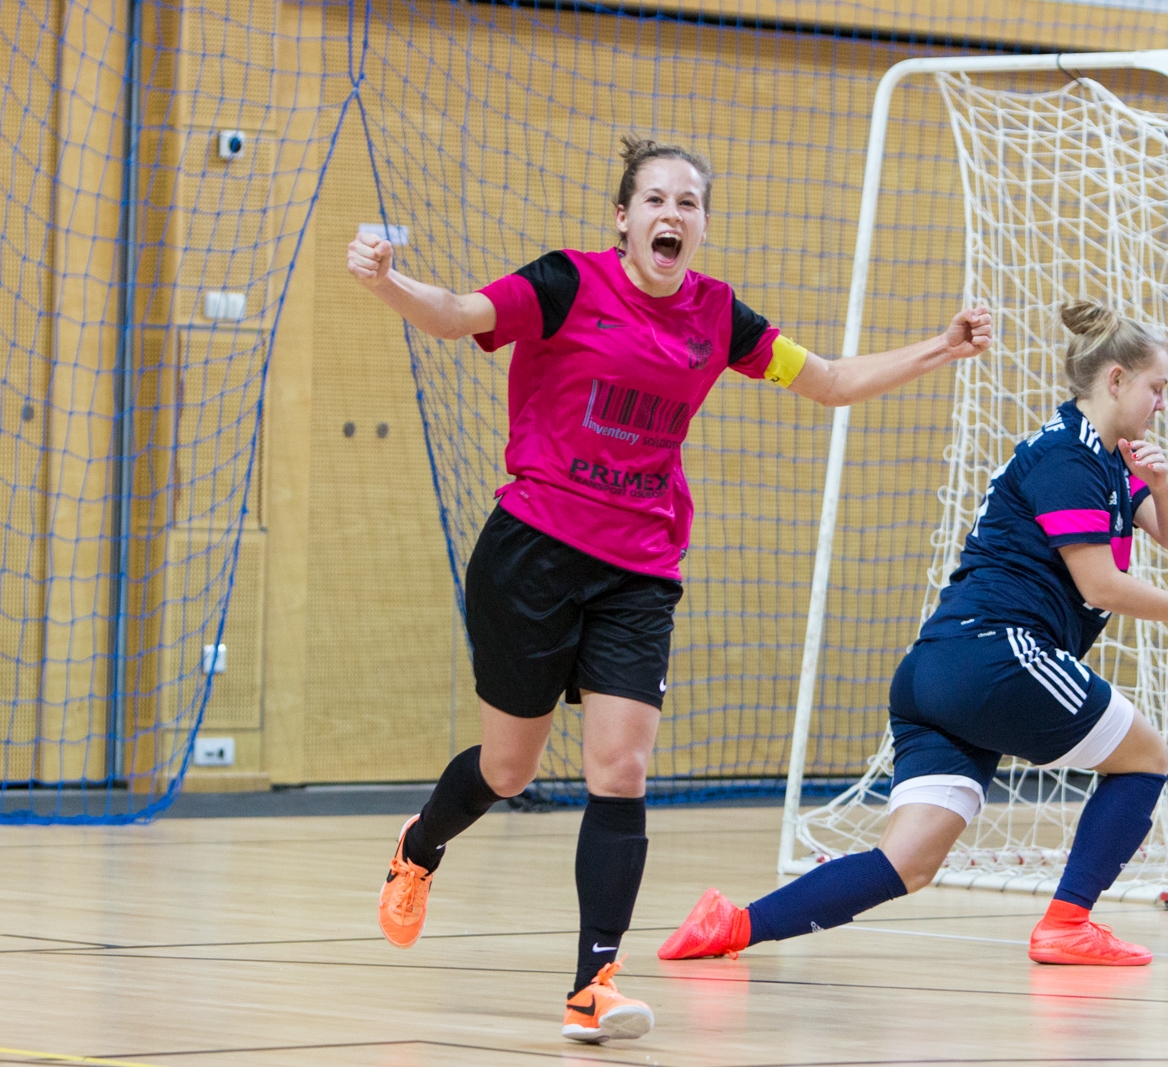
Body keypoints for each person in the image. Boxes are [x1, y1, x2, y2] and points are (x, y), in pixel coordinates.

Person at [346, 132, 992, 1043]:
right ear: (624, 217)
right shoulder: (564, 282)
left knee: (621, 768)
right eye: (655, 199)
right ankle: (419, 846)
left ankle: (594, 982)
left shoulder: (718, 316)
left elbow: (832, 381)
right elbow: (457, 315)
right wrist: (387, 281)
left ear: (702, 225)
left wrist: (942, 346)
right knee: (508, 768)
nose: (672, 214)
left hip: (639, 569)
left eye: (688, 202)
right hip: (531, 553)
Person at [659, 298, 1168, 967]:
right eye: (1157, 387)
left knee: (907, 863)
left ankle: (731, 925)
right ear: (1116, 379)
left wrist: (1158, 482)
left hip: (935, 670)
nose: (1162, 403)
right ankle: (1068, 923)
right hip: (998, 653)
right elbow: (1101, 587)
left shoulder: (1105, 459)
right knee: (1147, 757)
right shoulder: (1068, 459)